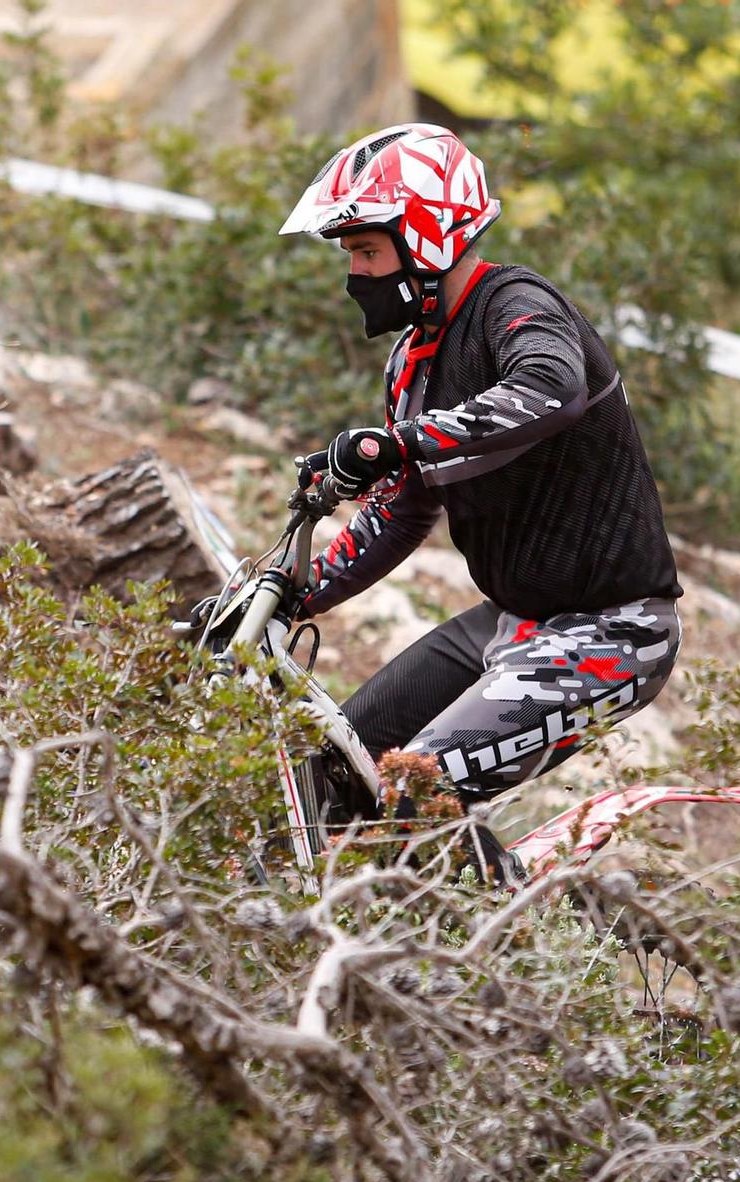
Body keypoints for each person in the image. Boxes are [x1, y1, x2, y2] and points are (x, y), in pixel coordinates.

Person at [280, 124, 683, 861]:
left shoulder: (515, 305)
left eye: (368, 252)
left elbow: (551, 387)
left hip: (612, 632)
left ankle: (510, 954)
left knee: (411, 794)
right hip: (512, 621)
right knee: (335, 764)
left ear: (428, 238)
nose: (357, 277)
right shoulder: (412, 361)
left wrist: (395, 441)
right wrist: (292, 594)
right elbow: (401, 509)